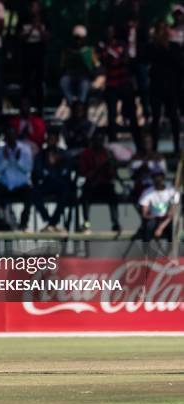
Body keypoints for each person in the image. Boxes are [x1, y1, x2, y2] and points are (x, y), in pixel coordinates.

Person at [97, 25, 140, 148]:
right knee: (112, 115)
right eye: (107, 32)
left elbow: (126, 59)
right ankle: (113, 143)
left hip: (124, 82)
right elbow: (103, 62)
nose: (109, 34)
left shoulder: (122, 44)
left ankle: (139, 145)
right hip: (111, 84)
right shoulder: (102, 47)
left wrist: (116, 60)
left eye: (111, 31)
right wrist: (113, 60)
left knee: (132, 114)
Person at [147, 21, 182, 153]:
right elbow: (148, 59)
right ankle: (154, 147)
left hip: (172, 87)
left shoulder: (174, 47)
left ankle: (177, 146)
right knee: (155, 117)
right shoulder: (152, 47)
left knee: (174, 116)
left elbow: (179, 65)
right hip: (156, 86)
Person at [0, 127, 33, 231]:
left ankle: (24, 224)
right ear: (5, 138)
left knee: (30, 195)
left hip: (21, 186)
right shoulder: (0, 150)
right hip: (5, 185)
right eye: (8, 136)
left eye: (12, 135)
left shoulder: (25, 149)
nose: (10, 138)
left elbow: (28, 168)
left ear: (16, 136)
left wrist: (19, 160)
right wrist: (5, 160)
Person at [78, 132, 121, 233]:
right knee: (85, 195)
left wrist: (109, 167)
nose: (98, 142)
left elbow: (113, 174)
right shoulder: (86, 153)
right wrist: (96, 170)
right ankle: (86, 222)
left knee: (112, 194)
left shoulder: (108, 153)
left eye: (101, 140)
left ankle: (115, 222)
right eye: (96, 140)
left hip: (104, 185)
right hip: (91, 184)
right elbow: (83, 172)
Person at [32, 132, 74, 232]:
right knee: (34, 193)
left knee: (66, 192)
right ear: (46, 141)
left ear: (57, 141)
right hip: (46, 183)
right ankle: (48, 220)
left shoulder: (63, 154)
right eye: (49, 140)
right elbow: (38, 170)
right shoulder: (41, 154)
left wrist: (58, 164)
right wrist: (48, 170)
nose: (51, 142)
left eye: (53, 139)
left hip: (60, 183)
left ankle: (53, 223)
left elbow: (67, 171)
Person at [17, 0, 49, 114]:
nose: (33, 9)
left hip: (39, 55)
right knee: (26, 84)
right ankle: (25, 110)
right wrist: (31, 28)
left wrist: (39, 27)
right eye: (31, 6)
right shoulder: (23, 20)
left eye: (35, 7)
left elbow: (47, 39)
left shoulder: (45, 20)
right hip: (26, 55)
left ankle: (40, 110)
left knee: (39, 83)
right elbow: (20, 38)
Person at [60, 25, 98, 106]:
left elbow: (97, 67)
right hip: (71, 76)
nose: (78, 41)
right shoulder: (67, 51)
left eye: (80, 39)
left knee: (84, 85)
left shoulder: (90, 51)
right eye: (76, 38)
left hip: (85, 78)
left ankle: (81, 104)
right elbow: (63, 67)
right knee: (64, 81)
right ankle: (71, 104)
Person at [138, 168, 180, 242]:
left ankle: (171, 251)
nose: (157, 179)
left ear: (163, 178)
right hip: (153, 218)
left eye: (159, 177)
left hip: (167, 220)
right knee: (148, 227)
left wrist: (160, 228)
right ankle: (146, 251)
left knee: (173, 229)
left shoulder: (172, 192)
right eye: (155, 177)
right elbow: (144, 213)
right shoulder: (147, 193)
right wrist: (150, 216)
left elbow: (171, 214)